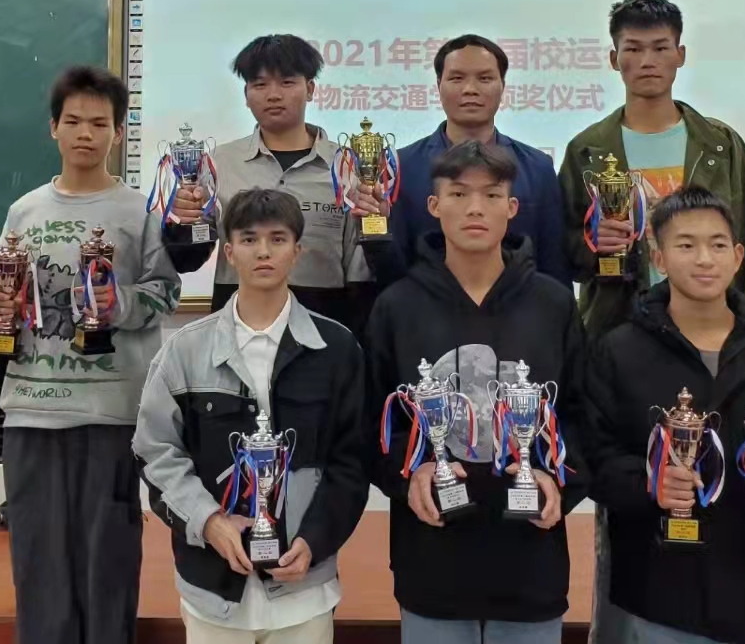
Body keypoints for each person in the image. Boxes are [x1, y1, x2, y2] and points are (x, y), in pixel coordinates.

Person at [585, 187, 745, 644]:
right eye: (686, 245)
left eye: (718, 244)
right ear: (659, 258)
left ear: (738, 256)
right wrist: (649, 482)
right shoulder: (619, 354)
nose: (704, 259)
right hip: (661, 600)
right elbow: (593, 459)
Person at [363, 140, 590, 644]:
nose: (474, 208)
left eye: (491, 195)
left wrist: (559, 479)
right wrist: (409, 471)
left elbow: (581, 414)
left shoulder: (553, 304)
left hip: (531, 560)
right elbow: (372, 422)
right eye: (459, 194)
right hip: (432, 558)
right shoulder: (397, 307)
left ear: (512, 208)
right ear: (433, 205)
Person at [0, 64, 182, 644]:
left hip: (111, 412)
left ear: (118, 133)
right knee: (38, 562)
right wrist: (0, 302)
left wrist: (117, 304)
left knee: (107, 559)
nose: (85, 134)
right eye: (73, 121)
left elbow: (166, 293)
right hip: (32, 409)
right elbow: (2, 291)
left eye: (99, 123)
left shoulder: (139, 212)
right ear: (53, 128)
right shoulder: (24, 211)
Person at [134, 187, 369, 644]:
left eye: (278, 239)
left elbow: (352, 462)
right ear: (228, 253)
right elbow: (156, 452)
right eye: (248, 239)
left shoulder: (337, 349)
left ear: (297, 251)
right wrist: (209, 522)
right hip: (212, 594)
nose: (263, 252)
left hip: (304, 592)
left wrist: (315, 540)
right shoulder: (185, 351)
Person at [559, 0, 745, 338]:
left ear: (680, 55)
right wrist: (594, 245)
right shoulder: (588, 150)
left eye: (661, 48)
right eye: (633, 49)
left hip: (710, 328)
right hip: (617, 330)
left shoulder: (720, 146)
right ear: (615, 59)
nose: (648, 61)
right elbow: (563, 248)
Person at [168, 34, 381, 332]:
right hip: (237, 326)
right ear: (246, 95)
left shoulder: (347, 166)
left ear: (310, 89)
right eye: (260, 85)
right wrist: (183, 222)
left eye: (287, 82)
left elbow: (359, 271)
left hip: (324, 325)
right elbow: (188, 260)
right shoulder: (218, 163)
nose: (273, 95)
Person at [383, 35, 569, 288]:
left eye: (484, 78)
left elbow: (553, 263)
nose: (470, 89)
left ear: (503, 86)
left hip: (519, 307)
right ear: (438, 85)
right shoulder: (401, 167)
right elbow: (393, 265)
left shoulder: (538, 168)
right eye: (457, 78)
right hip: (423, 307)